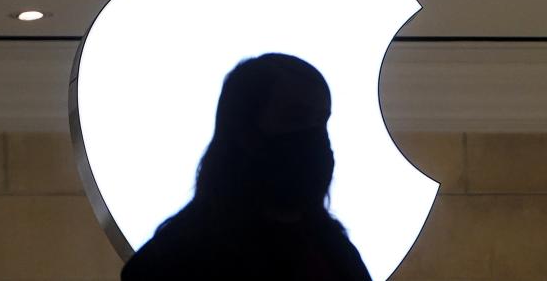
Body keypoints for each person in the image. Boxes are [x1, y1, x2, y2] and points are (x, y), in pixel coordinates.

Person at [121, 53, 372, 280]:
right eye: (295, 118)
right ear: (244, 131)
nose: (313, 136)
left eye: (321, 121)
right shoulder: (172, 260)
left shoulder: (336, 252)